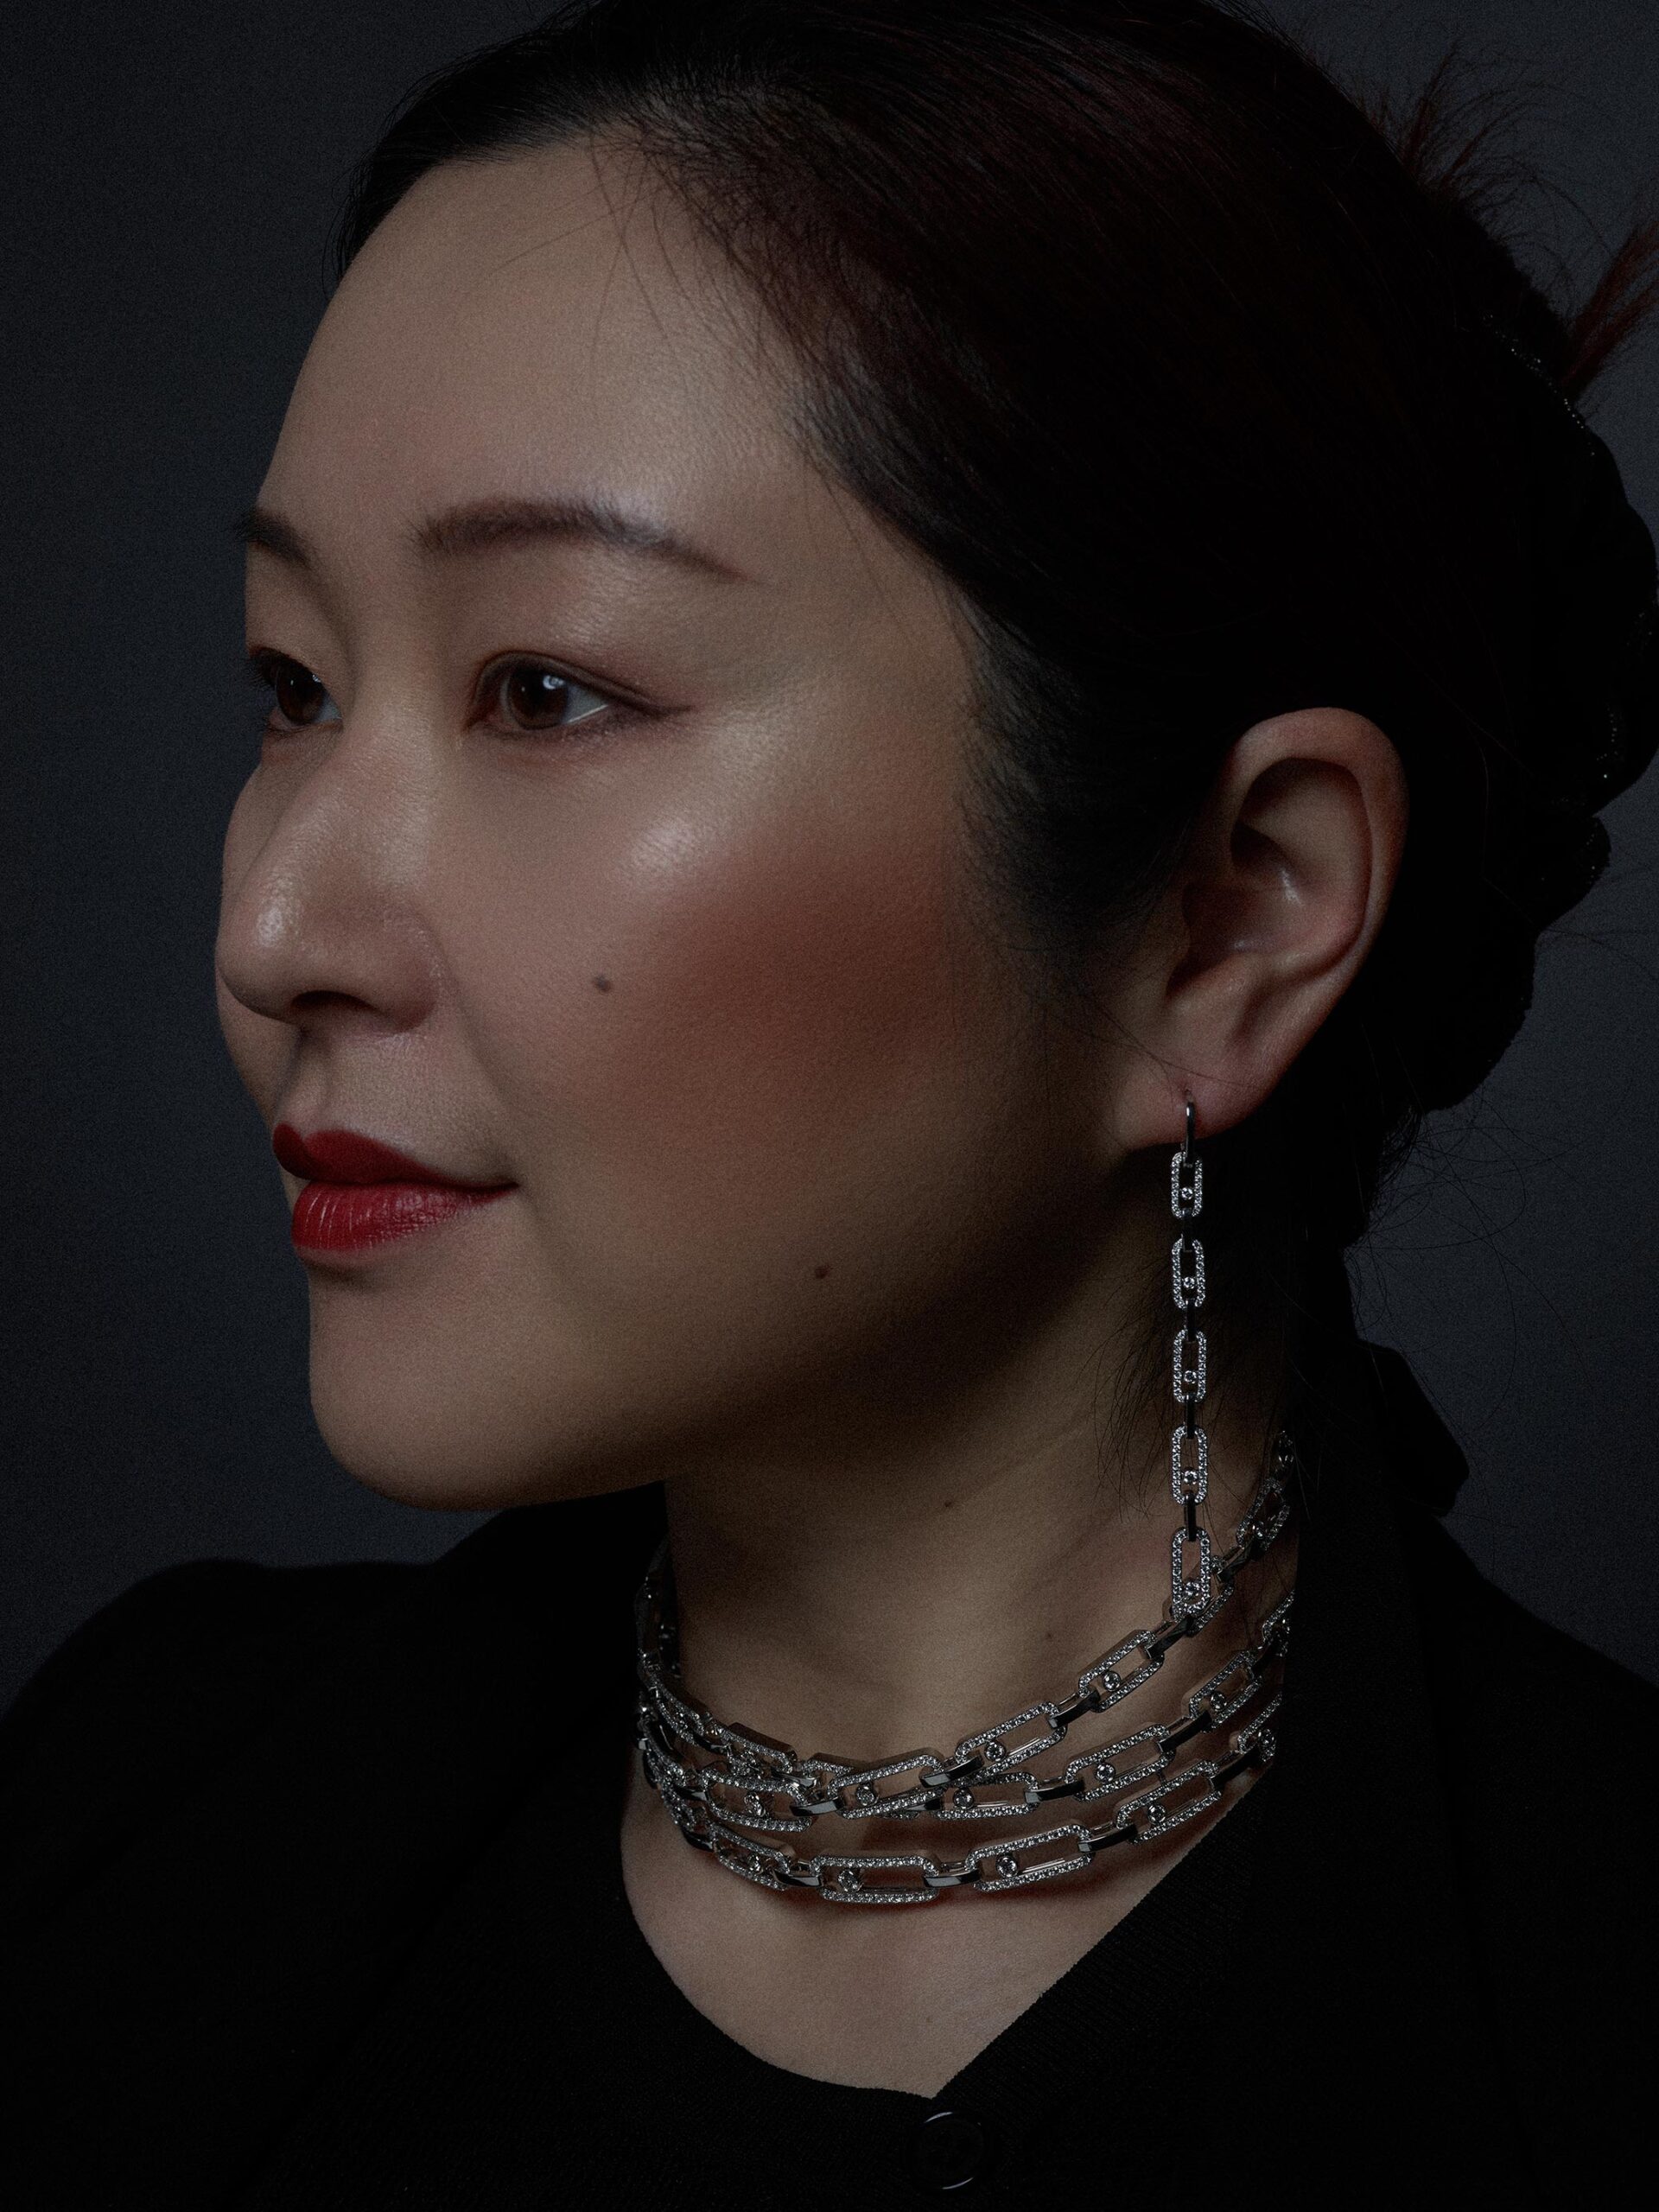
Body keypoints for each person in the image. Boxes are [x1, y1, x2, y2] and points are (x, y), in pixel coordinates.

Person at [3, 2, 1656, 2203]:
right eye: (291, 684)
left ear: (1229, 918)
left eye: (545, 687)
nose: (275, 922)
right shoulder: (124, 1829)